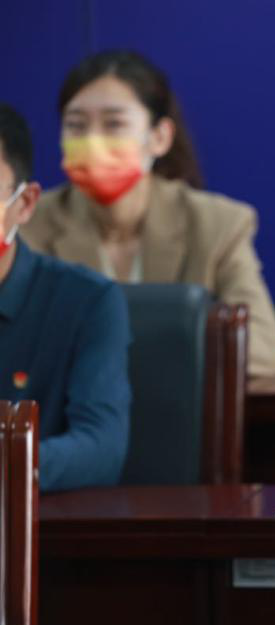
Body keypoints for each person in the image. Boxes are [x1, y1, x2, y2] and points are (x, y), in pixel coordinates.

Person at [22, 50, 275, 377]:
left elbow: (263, 351)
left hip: (178, 408)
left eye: (114, 124)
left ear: (159, 137)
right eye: (76, 126)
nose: (92, 141)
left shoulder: (217, 224)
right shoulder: (28, 223)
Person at [0, 104, 130, 492]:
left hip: (27, 519)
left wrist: (9, 462)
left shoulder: (87, 301)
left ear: (24, 203)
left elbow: (101, 448)